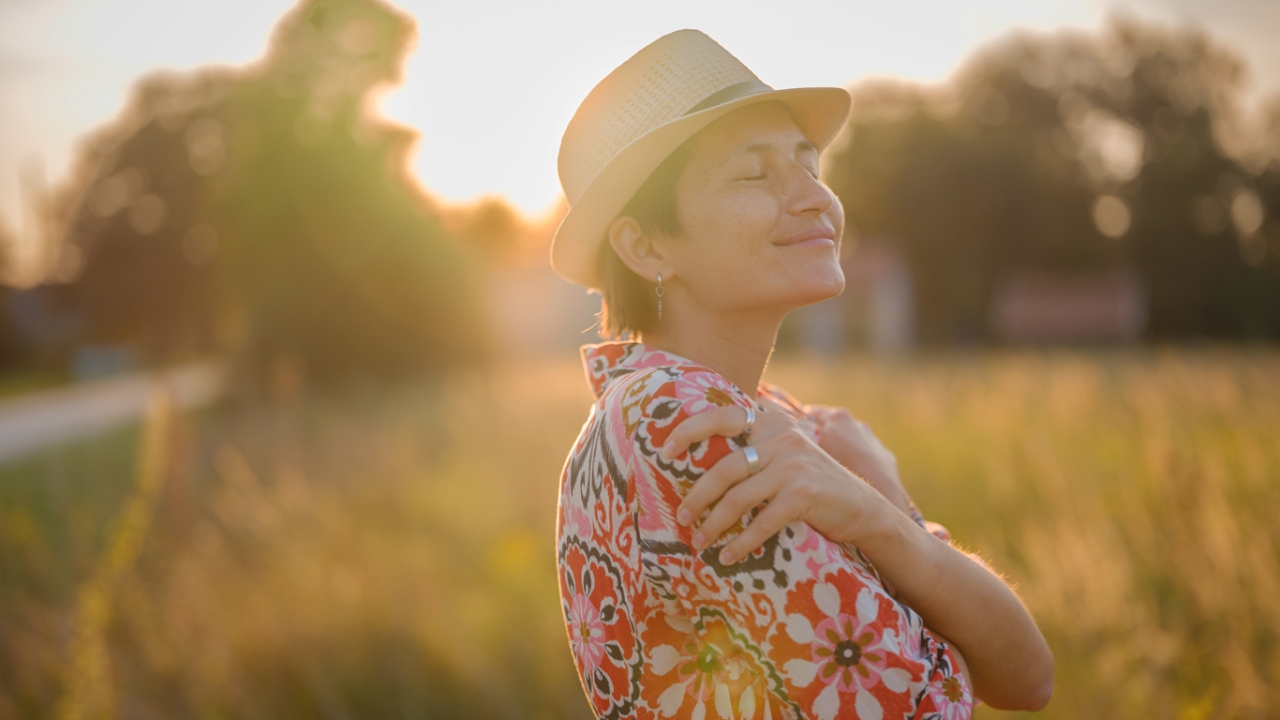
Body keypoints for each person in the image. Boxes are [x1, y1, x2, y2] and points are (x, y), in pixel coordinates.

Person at [551, 29, 1053, 720]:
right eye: (754, 174)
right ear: (646, 244)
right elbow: (934, 703)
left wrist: (878, 510)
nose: (815, 197)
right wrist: (888, 513)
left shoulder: (755, 417)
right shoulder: (682, 419)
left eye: (809, 164)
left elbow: (1026, 682)